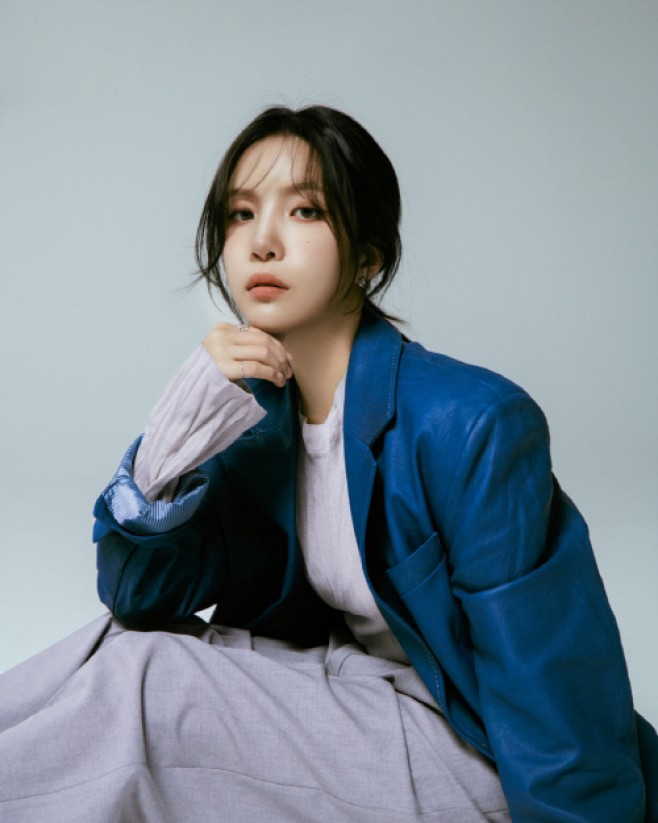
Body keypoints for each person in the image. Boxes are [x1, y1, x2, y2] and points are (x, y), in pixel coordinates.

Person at [0, 105, 655, 822]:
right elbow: (137, 597)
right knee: (115, 647)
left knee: (148, 679)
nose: (262, 242)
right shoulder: (255, 427)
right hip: (350, 699)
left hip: (475, 750)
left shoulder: (473, 424)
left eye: (305, 210)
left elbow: (556, 693)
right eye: (240, 215)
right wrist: (176, 430)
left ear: (368, 255)